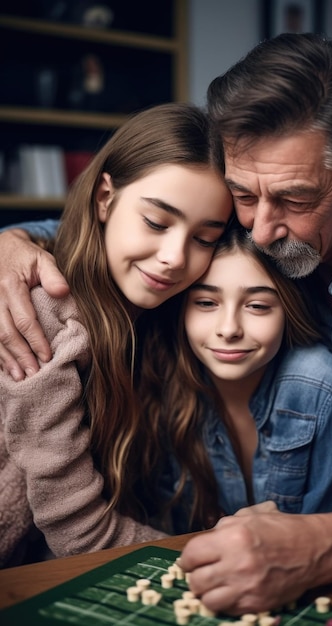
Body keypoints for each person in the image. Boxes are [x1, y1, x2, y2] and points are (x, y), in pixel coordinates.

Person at [177, 33, 332, 613]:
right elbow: (141, 222)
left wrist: (319, 547)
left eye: (296, 199)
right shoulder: (265, 202)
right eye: (242, 195)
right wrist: (21, 243)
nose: (260, 233)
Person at [0, 102, 233, 567]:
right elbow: (79, 532)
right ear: (105, 198)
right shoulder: (46, 312)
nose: (174, 256)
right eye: (156, 222)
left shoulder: (161, 320)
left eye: (204, 238)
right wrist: (211, 558)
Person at [142, 219, 332, 537]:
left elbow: (317, 533)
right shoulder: (165, 377)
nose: (229, 329)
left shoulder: (314, 382)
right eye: (205, 303)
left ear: (288, 309)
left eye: (257, 306)